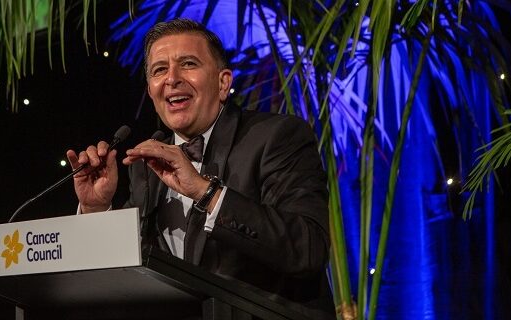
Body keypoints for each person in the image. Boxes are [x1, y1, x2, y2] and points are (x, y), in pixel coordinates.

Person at [66, 18, 333, 315]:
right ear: (151, 92)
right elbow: (125, 277)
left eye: (188, 64)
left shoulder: (277, 137)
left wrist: (207, 192)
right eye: (159, 70)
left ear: (223, 83)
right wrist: (97, 210)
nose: (172, 78)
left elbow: (308, 249)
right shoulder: (145, 165)